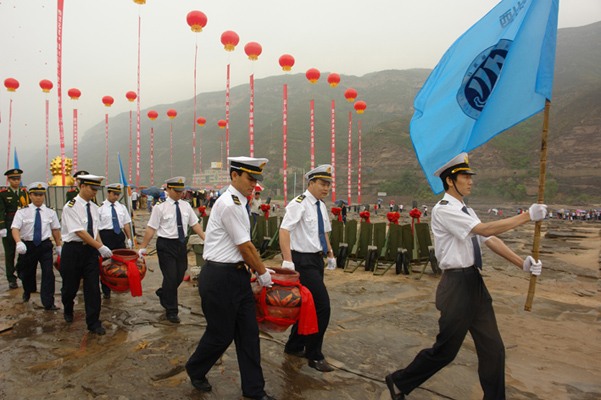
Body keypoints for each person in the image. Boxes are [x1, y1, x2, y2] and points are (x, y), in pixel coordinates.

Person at [385, 153, 546, 400]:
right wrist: (526, 216)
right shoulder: (444, 209)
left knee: (493, 348)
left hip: (474, 282)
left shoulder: (466, 209)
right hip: (456, 286)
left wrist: (520, 263)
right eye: (465, 177)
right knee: (445, 351)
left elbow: (488, 238)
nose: (470, 182)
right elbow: (484, 229)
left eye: (471, 177)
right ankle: (399, 381)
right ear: (450, 181)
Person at [186, 156, 276, 400]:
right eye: (249, 178)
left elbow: (243, 251)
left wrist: (259, 270)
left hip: (237, 275)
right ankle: (195, 368)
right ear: (234, 175)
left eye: (256, 180)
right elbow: (245, 247)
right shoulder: (230, 204)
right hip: (218, 278)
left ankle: (254, 391)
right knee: (221, 335)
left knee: (248, 336)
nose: (253, 184)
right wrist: (263, 273)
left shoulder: (240, 202)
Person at [279, 164, 337, 372]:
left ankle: (294, 346)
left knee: (307, 306)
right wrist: (288, 261)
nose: (326, 188)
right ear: (311, 182)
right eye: (322, 184)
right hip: (301, 261)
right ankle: (314, 354)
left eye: (328, 185)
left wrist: (329, 254)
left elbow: (323, 233)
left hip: (316, 260)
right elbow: (284, 231)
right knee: (322, 306)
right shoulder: (299, 204)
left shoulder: (320, 205)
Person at [138, 177, 205, 324]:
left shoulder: (186, 206)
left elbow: (195, 224)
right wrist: (143, 247)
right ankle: (172, 311)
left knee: (180, 274)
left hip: (181, 244)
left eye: (181, 191)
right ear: (168, 190)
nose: (179, 194)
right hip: (165, 245)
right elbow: (151, 228)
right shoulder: (159, 207)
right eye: (176, 191)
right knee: (170, 276)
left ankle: (163, 293)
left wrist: (205, 238)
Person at [60, 174, 113, 335]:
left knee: (92, 288)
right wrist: (99, 246)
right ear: (82, 186)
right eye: (92, 189)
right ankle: (68, 308)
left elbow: (94, 231)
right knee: (70, 287)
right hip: (73, 251)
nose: (94, 193)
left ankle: (93, 323)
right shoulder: (70, 207)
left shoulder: (94, 208)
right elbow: (80, 232)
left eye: (97, 190)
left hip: (90, 252)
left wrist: (100, 246)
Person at [11, 182, 61, 309]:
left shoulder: (50, 212)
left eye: (41, 195)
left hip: (44, 245)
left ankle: (48, 302)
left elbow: (55, 229)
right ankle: (27, 291)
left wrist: (59, 245)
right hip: (28, 246)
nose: (38, 197)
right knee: (26, 272)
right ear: (30, 196)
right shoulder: (22, 212)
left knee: (48, 273)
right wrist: (18, 242)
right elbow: (15, 228)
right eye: (35, 195)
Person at [97, 183, 133, 299]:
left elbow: (126, 223)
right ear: (108, 193)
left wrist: (129, 238)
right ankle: (106, 289)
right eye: (114, 194)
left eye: (118, 194)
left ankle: (118, 286)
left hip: (118, 236)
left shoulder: (122, 207)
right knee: (106, 265)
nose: (116, 197)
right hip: (106, 237)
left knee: (120, 264)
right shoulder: (100, 208)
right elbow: (96, 228)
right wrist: (100, 244)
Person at [0, 168, 30, 289]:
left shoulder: (24, 192)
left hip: (22, 225)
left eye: (18, 179)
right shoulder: (3, 194)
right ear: (9, 180)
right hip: (9, 222)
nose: (16, 181)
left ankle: (19, 268)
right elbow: (1, 211)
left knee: (24, 251)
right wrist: (2, 226)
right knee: (10, 252)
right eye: (14, 179)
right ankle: (11, 278)